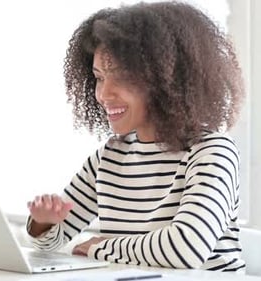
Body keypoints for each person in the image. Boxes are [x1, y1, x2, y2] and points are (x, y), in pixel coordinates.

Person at [26, 1, 245, 272]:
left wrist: (99, 247)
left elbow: (186, 248)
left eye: (120, 77)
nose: (104, 94)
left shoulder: (211, 151)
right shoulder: (109, 157)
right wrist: (43, 221)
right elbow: (52, 241)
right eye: (99, 77)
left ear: (166, 80)